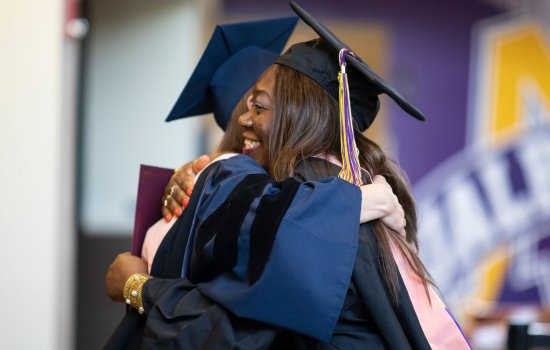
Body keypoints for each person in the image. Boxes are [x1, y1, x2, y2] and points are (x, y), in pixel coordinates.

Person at [106, 1, 471, 348]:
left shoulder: (307, 195)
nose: (245, 121)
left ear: (299, 114)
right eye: (245, 107)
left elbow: (228, 333)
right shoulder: (355, 194)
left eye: (259, 105)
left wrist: (137, 286)